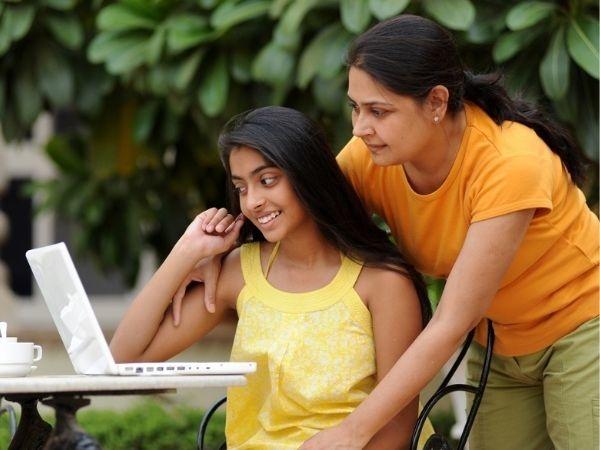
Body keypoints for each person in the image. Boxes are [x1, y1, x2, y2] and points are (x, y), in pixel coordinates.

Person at [185, 15, 599, 450]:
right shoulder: (372, 156)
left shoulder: (509, 163)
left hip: (583, 327)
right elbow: (302, 211)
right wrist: (214, 252)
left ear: (436, 102)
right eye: (355, 107)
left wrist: (352, 431)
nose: (360, 127)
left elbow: (451, 321)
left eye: (378, 111)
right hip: (502, 343)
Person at [110, 106, 434, 449]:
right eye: (241, 187)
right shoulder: (240, 272)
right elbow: (121, 360)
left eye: (267, 180)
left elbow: (399, 428)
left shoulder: (381, 281)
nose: (253, 202)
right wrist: (186, 252)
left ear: (307, 175)